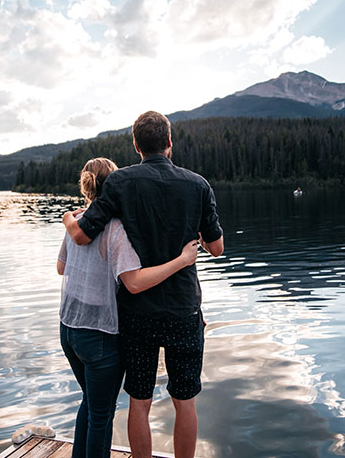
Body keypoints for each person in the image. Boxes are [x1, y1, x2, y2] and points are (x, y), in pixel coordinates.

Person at [62, 112, 224, 458]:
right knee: (185, 400)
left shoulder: (120, 182)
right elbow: (217, 248)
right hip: (183, 310)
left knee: (140, 401)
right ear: (169, 142)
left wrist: (67, 219)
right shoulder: (198, 185)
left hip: (137, 314)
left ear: (136, 146)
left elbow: (83, 234)